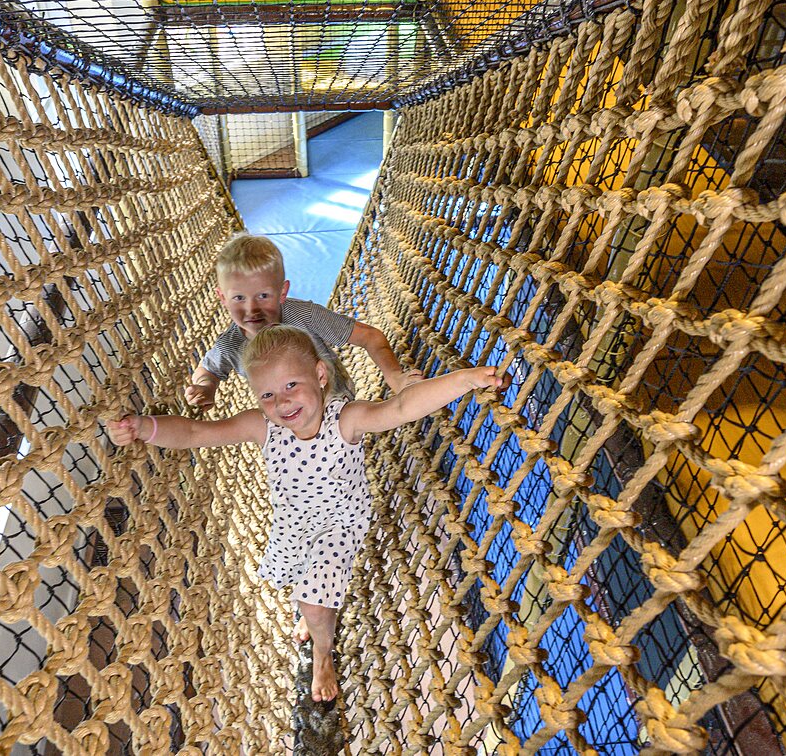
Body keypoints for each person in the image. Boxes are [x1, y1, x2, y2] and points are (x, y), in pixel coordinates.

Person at [108, 325, 505, 702]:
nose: (281, 403)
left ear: (320, 375)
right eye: (267, 394)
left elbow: (401, 406)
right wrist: (145, 427)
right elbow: (197, 433)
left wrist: (463, 380)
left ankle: (322, 654)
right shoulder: (263, 426)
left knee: (313, 601)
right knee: (303, 586)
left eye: (291, 385)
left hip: (340, 521)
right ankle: (315, 613)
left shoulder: (346, 418)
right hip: (292, 524)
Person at [185, 232, 420, 409]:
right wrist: (206, 387)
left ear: (282, 292)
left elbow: (370, 336)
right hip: (283, 417)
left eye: (263, 296)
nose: (252, 309)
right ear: (223, 298)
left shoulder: (303, 315)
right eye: (239, 298)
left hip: (334, 406)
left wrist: (394, 376)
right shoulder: (232, 344)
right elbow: (208, 370)